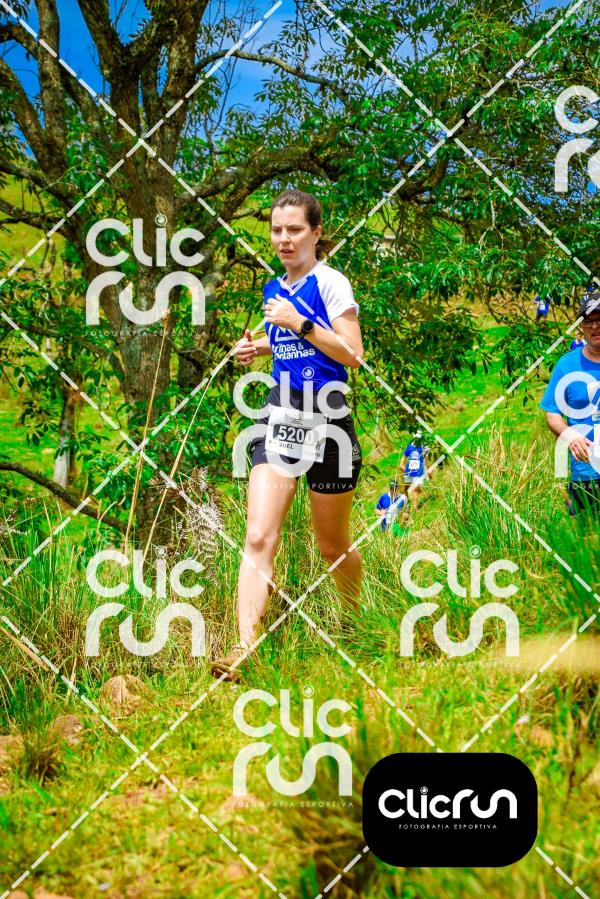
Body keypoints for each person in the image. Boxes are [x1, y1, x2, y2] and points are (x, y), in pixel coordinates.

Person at [211, 189, 364, 681]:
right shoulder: (272, 288)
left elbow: (352, 355)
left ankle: (356, 623)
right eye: (277, 230)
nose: (284, 239)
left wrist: (299, 323)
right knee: (259, 535)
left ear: (316, 233)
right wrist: (257, 348)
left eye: (294, 229)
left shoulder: (331, 283)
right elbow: (288, 346)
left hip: (330, 419)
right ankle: (244, 650)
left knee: (332, 545)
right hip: (283, 416)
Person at [541, 291, 600, 517]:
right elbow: (552, 413)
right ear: (581, 327)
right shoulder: (566, 365)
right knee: (588, 534)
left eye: (599, 320)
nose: (594, 326)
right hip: (587, 473)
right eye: (588, 321)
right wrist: (571, 436)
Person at [399, 432, 429, 508]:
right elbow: (404, 456)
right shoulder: (409, 446)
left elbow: (426, 459)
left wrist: (426, 469)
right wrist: (401, 464)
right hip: (409, 470)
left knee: (416, 488)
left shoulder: (424, 447)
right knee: (407, 487)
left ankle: (415, 507)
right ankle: (405, 502)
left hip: (419, 471)